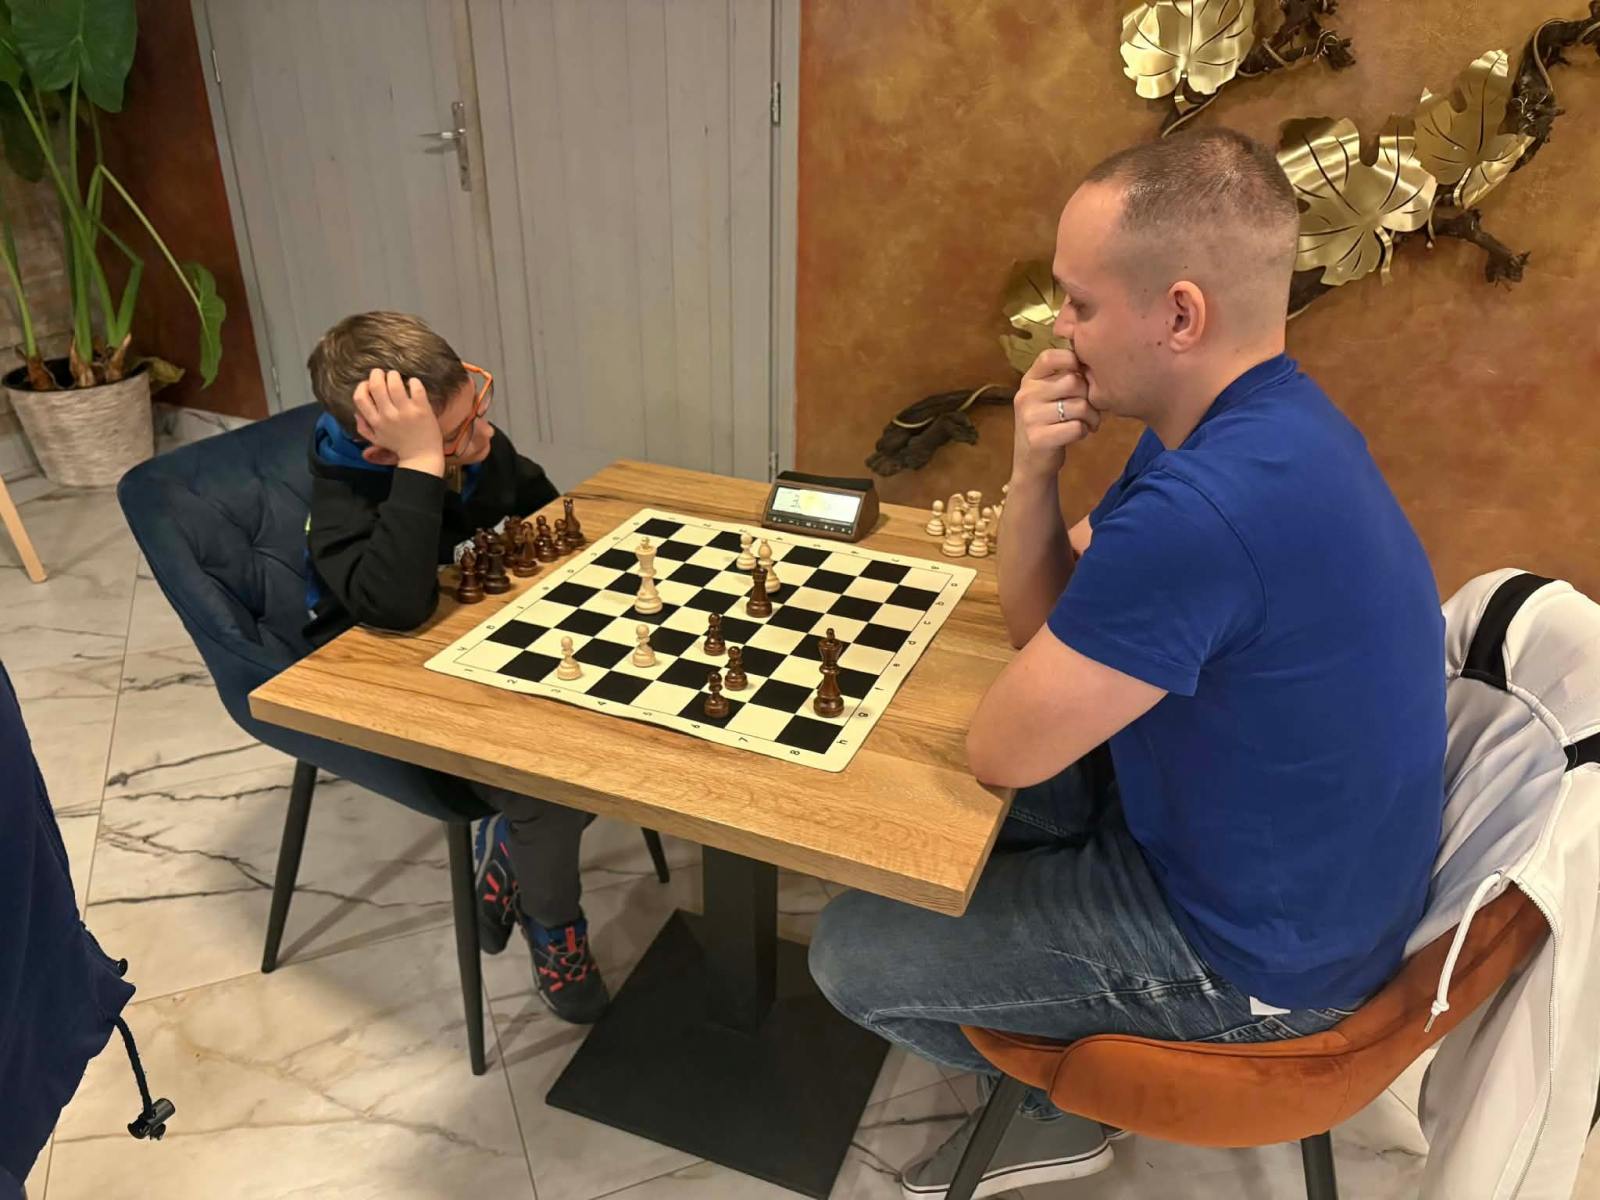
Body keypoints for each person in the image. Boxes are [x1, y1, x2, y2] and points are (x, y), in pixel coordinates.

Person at [808, 128, 1446, 1198]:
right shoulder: (1248, 422)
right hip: (1273, 872)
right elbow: (1043, 624)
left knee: (850, 950)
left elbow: (1001, 749)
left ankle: (1063, 1112)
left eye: (1079, 303)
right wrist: (1033, 469)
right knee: (926, 796)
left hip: (1261, 963)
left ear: (1179, 314)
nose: (1057, 330)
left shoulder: (1208, 506)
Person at [304, 311, 606, 1024]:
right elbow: (395, 608)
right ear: (384, 453)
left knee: (613, 736)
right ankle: (554, 927)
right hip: (392, 692)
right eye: (457, 434)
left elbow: (539, 512)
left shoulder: (462, 442)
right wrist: (424, 470)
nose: (482, 433)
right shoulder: (342, 498)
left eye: (478, 407)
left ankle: (508, 854)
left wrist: (466, 454)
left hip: (483, 655)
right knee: (549, 788)